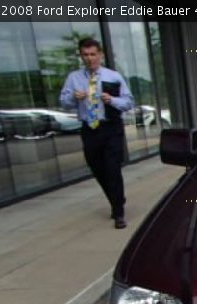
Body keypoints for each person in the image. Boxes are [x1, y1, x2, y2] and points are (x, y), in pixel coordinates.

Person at [60, 38, 134, 229]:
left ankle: (119, 212)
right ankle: (117, 198)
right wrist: (73, 98)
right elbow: (64, 102)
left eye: (93, 54)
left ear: (100, 54)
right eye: (86, 55)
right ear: (81, 56)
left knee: (113, 169)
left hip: (111, 128)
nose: (90, 58)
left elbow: (128, 102)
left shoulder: (113, 76)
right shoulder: (74, 78)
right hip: (89, 129)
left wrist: (112, 100)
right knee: (98, 169)